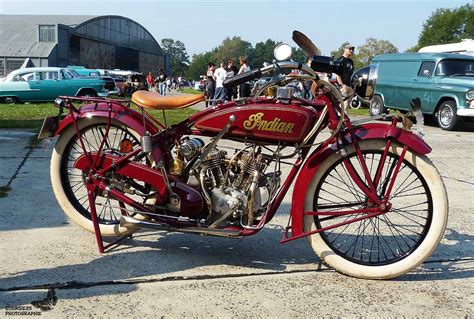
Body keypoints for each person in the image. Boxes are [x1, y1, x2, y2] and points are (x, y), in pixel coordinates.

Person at [336, 44, 355, 109]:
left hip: (349, 86)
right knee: (343, 107)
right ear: (345, 49)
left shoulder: (351, 61)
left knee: (346, 107)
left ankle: (344, 118)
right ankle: (342, 119)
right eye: (350, 49)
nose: (351, 50)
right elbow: (337, 74)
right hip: (343, 87)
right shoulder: (340, 60)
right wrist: (342, 86)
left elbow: (351, 74)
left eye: (352, 49)